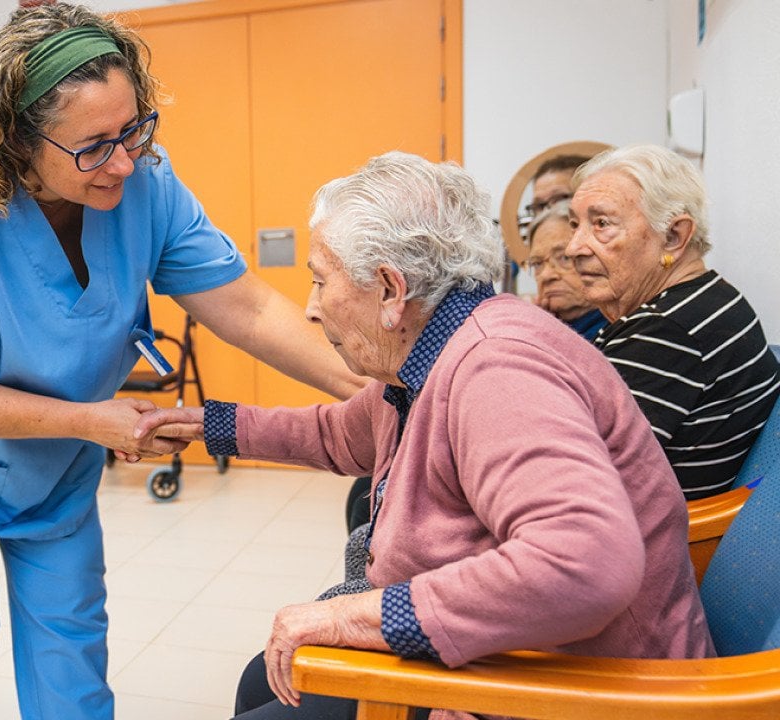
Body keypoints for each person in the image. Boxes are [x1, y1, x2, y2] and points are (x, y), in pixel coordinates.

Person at [0, 4, 363, 718]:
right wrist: (85, 418)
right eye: (94, 145)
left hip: (59, 441)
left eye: (134, 128)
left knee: (69, 644)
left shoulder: (143, 179)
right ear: (17, 139)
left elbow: (247, 305)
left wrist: (372, 389)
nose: (124, 161)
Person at [136, 152, 713, 719]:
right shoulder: (435, 350)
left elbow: (584, 563)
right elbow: (341, 434)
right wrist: (206, 426)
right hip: (505, 653)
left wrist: (355, 617)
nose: (311, 310)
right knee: (262, 678)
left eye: (320, 281)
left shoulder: (497, 370)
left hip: (570, 684)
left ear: (390, 291)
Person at [567, 144, 780, 499]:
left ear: (674, 237)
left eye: (601, 224)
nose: (574, 247)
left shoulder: (669, 329)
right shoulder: (704, 299)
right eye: (575, 225)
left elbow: (576, 477)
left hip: (650, 544)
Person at [525, 200, 606, 340]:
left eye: (564, 258)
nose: (546, 275)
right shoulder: (537, 328)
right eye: (537, 264)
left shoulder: (621, 333)